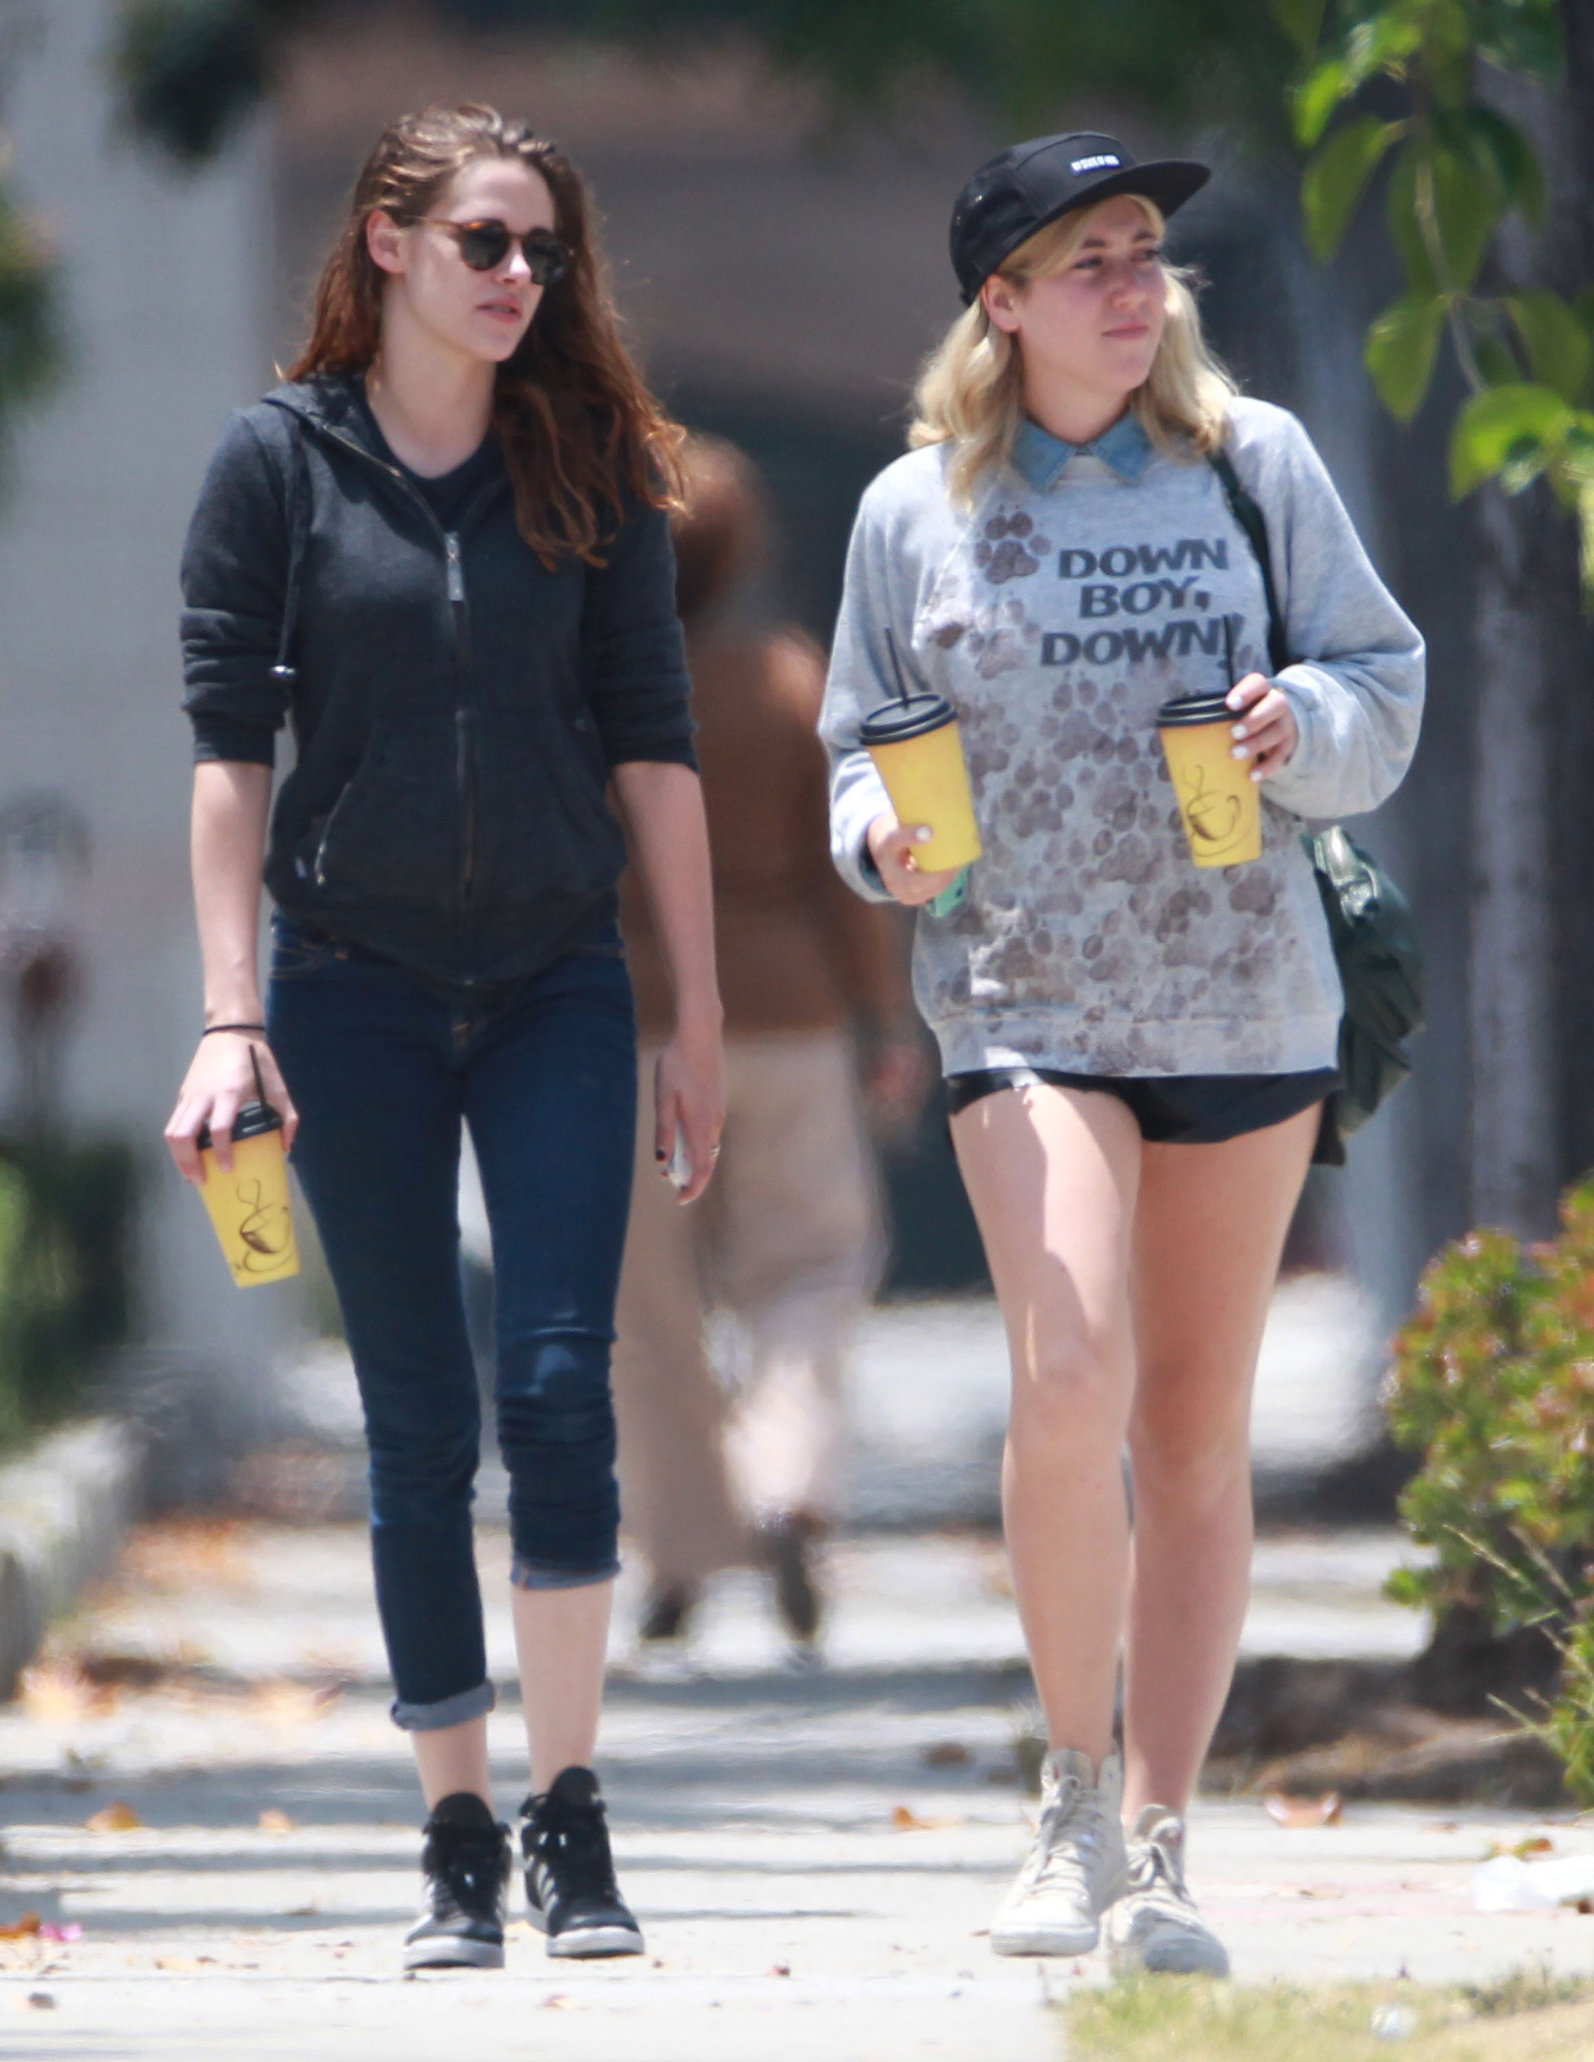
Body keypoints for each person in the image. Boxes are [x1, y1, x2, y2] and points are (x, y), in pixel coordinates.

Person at [821, 132, 1423, 1976]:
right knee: (1065, 1363)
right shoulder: (912, 507)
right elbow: (859, 741)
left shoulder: (1250, 466)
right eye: (1081, 256)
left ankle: (1160, 1842)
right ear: (995, 302)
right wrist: (877, 841)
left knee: (1189, 1433)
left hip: (1243, 1005)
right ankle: (1064, 1794)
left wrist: (1288, 723)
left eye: (1141, 249)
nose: (1123, 281)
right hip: (1021, 1000)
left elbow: (1375, 689)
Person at [164, 104, 725, 1973]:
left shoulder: (591, 471)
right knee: (419, 1422)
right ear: (387, 244)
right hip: (349, 985)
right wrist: (228, 1015)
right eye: (485, 241)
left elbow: (654, 749)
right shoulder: (279, 466)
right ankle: (456, 1834)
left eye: (542, 251)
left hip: (560, 976)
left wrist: (695, 1016)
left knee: (558, 1386)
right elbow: (228, 761)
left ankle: (572, 1812)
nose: (518, 279)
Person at [612, 435, 923, 1654]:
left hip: (628, 1024)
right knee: (808, 1265)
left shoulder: (587, 693)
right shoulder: (791, 687)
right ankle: (788, 1479)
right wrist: (883, 1020)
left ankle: (684, 1546)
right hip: (788, 1015)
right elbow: (847, 880)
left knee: (644, 1301)